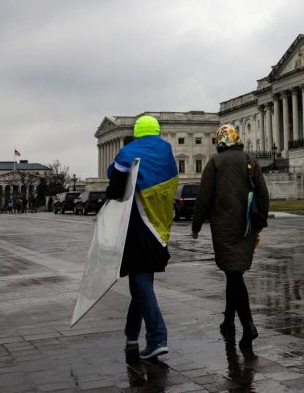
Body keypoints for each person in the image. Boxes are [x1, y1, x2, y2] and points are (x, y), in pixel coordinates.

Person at [105, 115, 178, 360]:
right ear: (157, 132)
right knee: (141, 280)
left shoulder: (128, 152)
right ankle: (132, 334)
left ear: (136, 132)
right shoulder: (167, 151)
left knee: (140, 281)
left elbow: (115, 190)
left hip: (139, 226)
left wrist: (112, 172)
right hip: (161, 227)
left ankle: (157, 337)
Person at [191, 124, 270, 348]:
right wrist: (260, 221)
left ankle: (248, 325)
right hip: (246, 226)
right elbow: (263, 193)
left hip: (224, 227)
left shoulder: (215, 163)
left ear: (221, 141)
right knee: (233, 273)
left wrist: (196, 225)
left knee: (234, 275)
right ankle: (228, 321)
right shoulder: (249, 160)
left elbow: (203, 199)